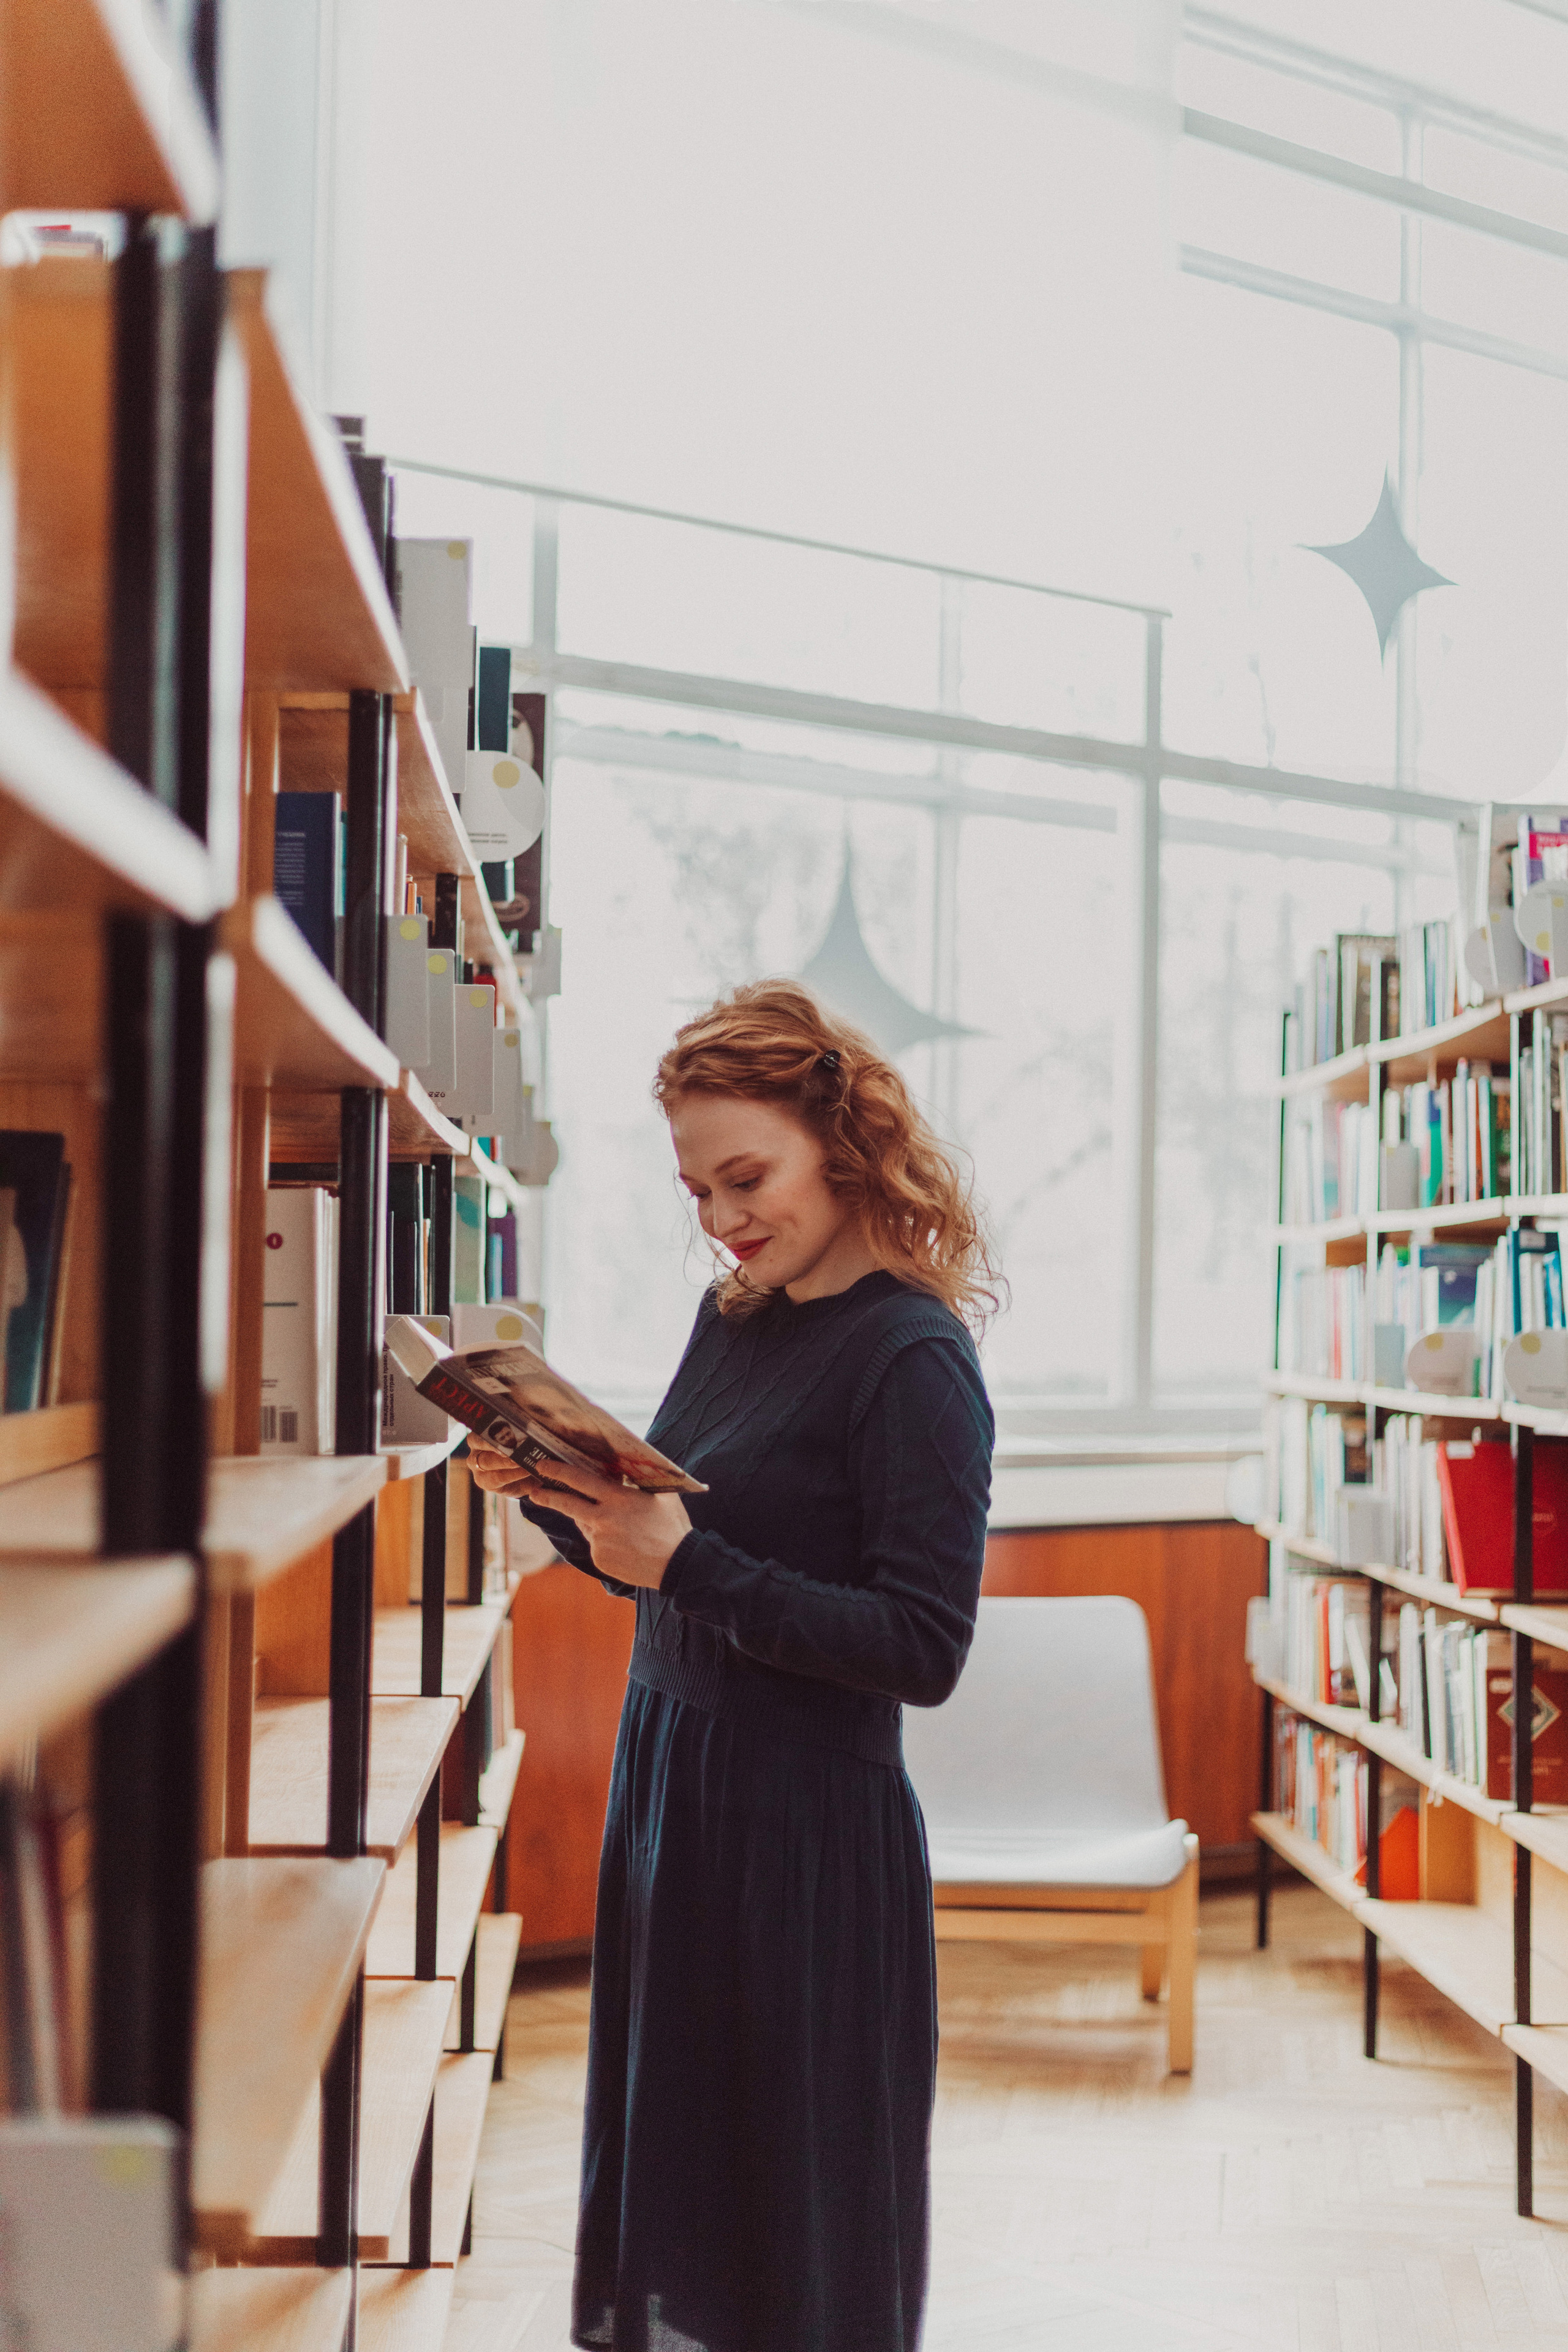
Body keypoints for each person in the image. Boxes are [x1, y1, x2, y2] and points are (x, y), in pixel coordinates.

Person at [469, 978, 998, 2352]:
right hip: (674, 1792)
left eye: (743, 1177)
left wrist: (686, 1563)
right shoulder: (735, 1317)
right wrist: (549, 1490)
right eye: (697, 1190)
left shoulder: (913, 1357)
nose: (720, 1218)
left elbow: (921, 1649)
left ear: (840, 1137)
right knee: (685, 2190)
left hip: (803, 1830)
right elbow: (668, 1555)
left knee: (793, 2226)